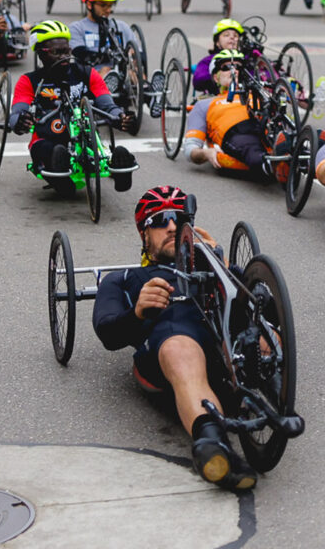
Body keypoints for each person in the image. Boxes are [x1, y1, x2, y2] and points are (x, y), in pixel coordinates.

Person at [92, 186, 257, 490]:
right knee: (181, 349)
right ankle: (214, 444)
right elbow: (107, 332)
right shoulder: (126, 279)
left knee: (264, 333)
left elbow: (258, 301)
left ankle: (269, 403)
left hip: (228, 341)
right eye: (159, 220)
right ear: (144, 235)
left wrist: (220, 264)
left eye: (179, 219)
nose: (171, 226)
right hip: (175, 344)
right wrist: (138, 312)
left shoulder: (212, 266)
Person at [7, 20, 136, 197]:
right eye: (57, 52)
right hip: (49, 137)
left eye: (67, 51)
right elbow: (16, 112)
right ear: (40, 54)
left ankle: (119, 166)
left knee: (105, 152)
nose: (65, 57)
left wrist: (120, 117)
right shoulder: (29, 81)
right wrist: (21, 121)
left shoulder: (87, 73)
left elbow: (107, 105)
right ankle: (60, 172)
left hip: (85, 136)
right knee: (44, 150)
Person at [182, 49, 284, 181]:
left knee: (293, 136)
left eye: (238, 67)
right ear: (215, 77)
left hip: (266, 127)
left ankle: (300, 153)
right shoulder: (204, 105)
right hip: (237, 133)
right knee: (251, 148)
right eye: (226, 67)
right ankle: (273, 165)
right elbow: (191, 148)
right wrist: (205, 153)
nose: (234, 70)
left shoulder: (258, 95)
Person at [192, 18, 248, 93]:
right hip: (216, 98)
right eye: (226, 35)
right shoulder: (209, 60)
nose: (232, 37)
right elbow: (198, 81)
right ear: (217, 42)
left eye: (235, 36)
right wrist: (220, 76)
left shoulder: (246, 58)